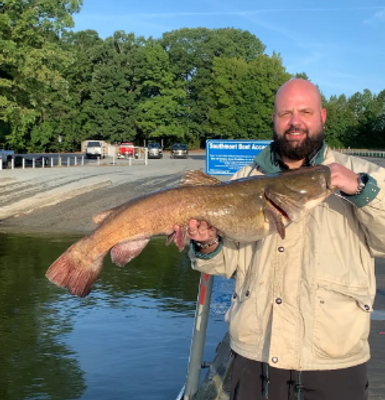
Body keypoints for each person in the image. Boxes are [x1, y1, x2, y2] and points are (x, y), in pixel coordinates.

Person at [175, 79, 385, 400]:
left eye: (305, 111)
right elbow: (228, 260)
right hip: (255, 357)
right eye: (285, 113)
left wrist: (360, 189)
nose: (295, 122)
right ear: (273, 119)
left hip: (332, 362)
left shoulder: (363, 175)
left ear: (323, 116)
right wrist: (206, 245)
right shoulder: (243, 180)